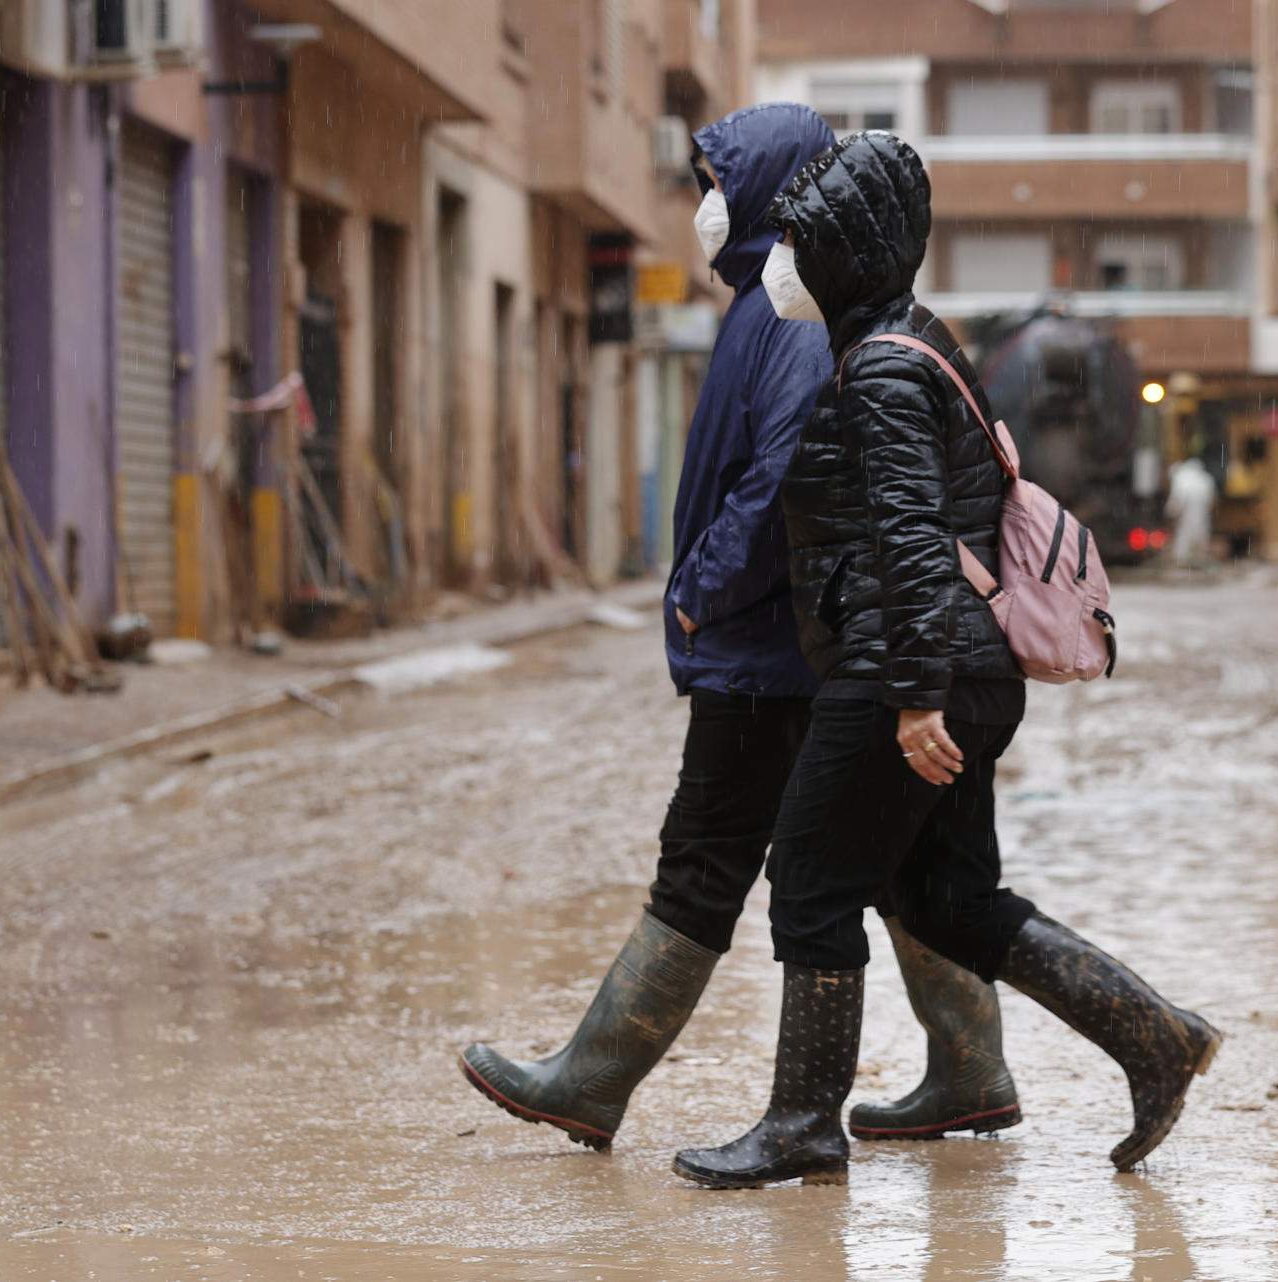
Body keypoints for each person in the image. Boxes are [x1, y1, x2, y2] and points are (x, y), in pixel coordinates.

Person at [459, 105, 1021, 1152]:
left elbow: (784, 481)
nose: (703, 203)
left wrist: (703, 588)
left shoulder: (791, 310)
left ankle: (598, 1077)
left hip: (771, 649)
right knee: (891, 866)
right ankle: (971, 1064)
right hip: (791, 641)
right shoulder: (777, 300)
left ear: (766, 186)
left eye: (715, 179)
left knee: (711, 854)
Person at [672, 131, 1221, 1190]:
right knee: (947, 896)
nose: (782, 259)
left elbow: (912, 537)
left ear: (843, 248)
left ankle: (800, 1124)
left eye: (798, 241)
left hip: (907, 671)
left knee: (812, 877)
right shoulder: (914, 343)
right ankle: (1154, 1037)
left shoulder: (878, 367)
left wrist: (914, 694)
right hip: (960, 670)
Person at [1167, 456, 1217, 567]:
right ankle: (1199, 560)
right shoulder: (1206, 478)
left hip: (1188, 512)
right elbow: (1212, 500)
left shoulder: (1181, 477)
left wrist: (1171, 513)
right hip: (1202, 512)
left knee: (1184, 535)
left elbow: (1177, 499)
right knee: (1201, 534)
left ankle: (1181, 562)